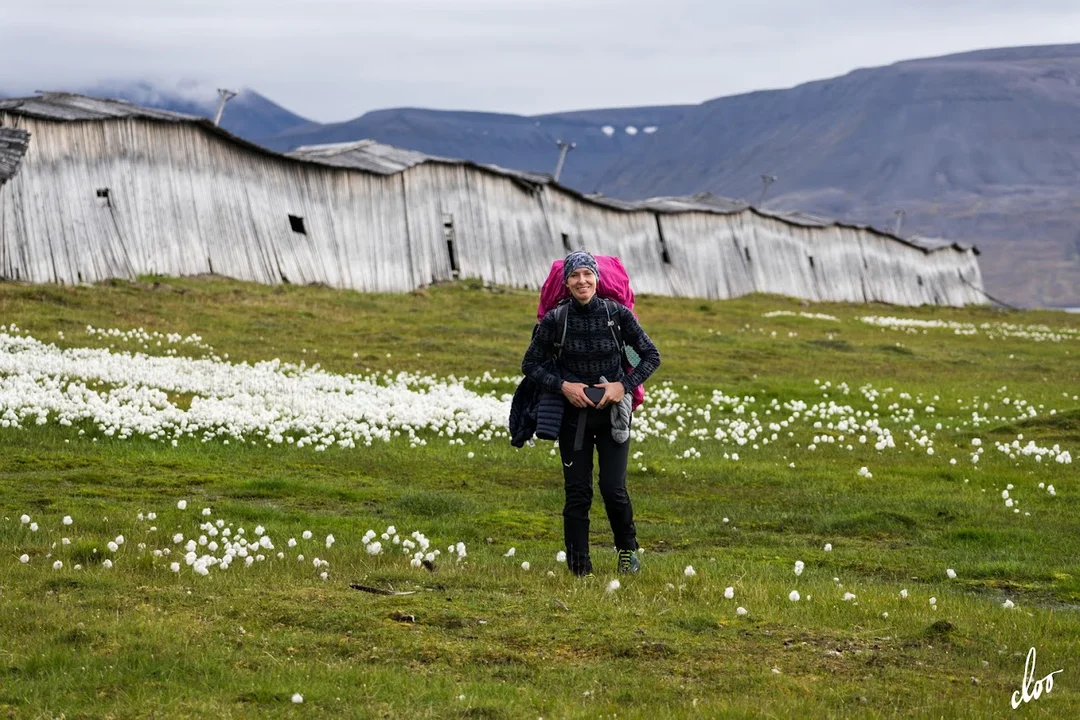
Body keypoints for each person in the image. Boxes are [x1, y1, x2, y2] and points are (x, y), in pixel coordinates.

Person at [521, 251, 661, 576]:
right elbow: (530, 365)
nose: (581, 281)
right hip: (573, 419)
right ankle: (579, 568)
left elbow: (650, 356)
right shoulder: (557, 320)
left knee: (614, 490)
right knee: (578, 492)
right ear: (566, 282)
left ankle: (628, 552)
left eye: (587, 274)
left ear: (596, 278)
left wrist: (622, 386)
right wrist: (565, 387)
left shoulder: (618, 315)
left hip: (613, 417)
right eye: (575, 276)